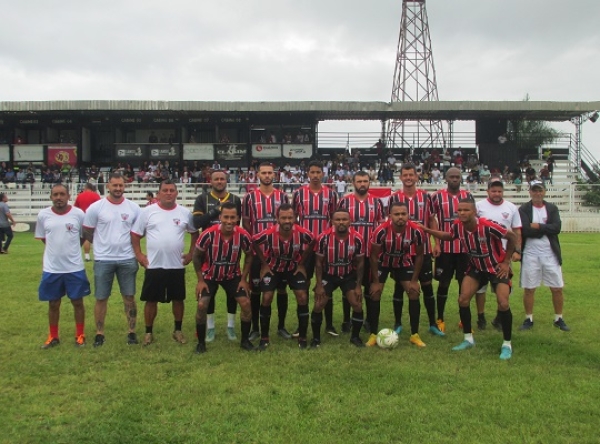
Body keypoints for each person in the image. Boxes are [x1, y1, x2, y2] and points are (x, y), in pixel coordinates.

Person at [422, 198, 518, 360]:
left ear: (474, 212)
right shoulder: (458, 226)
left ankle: (507, 344)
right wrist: (427, 230)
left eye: (466, 210)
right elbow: (448, 236)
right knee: (463, 299)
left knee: (503, 303)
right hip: (476, 268)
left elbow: (512, 237)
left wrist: (506, 261)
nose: (462, 213)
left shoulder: (487, 225)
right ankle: (468, 339)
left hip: (495, 267)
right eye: (460, 210)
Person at [131, 180, 199, 346]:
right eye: (165, 190)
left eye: (172, 190)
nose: (168, 193)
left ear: (176, 193)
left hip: (176, 265)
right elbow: (135, 234)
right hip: (154, 265)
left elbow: (195, 233)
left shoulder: (184, 213)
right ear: (159, 193)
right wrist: (139, 254)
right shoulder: (147, 212)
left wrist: (191, 253)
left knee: (178, 299)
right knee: (151, 300)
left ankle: (178, 330)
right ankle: (148, 332)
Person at [83, 173, 141, 347]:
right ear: (108, 186)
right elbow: (87, 231)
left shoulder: (133, 208)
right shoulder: (96, 207)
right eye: (114, 185)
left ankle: (131, 332)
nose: (118, 189)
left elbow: (138, 232)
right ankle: (99, 333)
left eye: (121, 185)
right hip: (103, 259)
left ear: (125, 186)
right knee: (101, 297)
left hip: (127, 258)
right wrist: (101, 245)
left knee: (129, 297)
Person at [193, 202, 256, 353]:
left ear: (237, 218)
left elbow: (249, 256)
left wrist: (243, 279)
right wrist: (200, 281)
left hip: (232, 276)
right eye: (225, 217)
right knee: (202, 305)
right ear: (220, 217)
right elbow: (196, 257)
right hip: (210, 275)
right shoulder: (208, 234)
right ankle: (201, 344)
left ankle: (245, 341)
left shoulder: (243, 235)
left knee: (246, 304)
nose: (229, 220)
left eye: (232, 217)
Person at [389, 163, 444, 337]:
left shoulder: (427, 197)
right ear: (400, 178)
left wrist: (437, 243)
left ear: (417, 177)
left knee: (427, 286)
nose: (408, 178)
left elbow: (432, 220)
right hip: (401, 251)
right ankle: (398, 323)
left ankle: (432, 324)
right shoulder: (394, 198)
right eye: (405, 175)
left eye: (411, 175)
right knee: (399, 287)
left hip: (423, 249)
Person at [36, 184, 91, 348]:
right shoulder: (43, 215)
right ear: (51, 197)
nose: (58, 197)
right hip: (52, 268)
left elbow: (83, 237)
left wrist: (72, 250)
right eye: (55, 195)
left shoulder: (78, 214)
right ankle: (53, 336)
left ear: (68, 196)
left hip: (74, 267)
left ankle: (80, 335)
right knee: (53, 303)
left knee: (77, 302)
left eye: (62, 194)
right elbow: (44, 238)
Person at [253, 204, 315, 350]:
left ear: (295, 218)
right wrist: (264, 264)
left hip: (293, 268)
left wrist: (301, 264)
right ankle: (264, 338)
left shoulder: (302, 233)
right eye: (284, 217)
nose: (287, 220)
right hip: (273, 268)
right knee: (267, 297)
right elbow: (254, 241)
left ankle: (303, 337)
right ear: (277, 219)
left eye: (290, 217)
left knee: (302, 296)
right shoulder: (269, 233)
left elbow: (313, 241)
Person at [192, 170, 243, 343]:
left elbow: (237, 222)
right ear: (211, 181)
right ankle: (211, 327)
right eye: (216, 179)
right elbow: (197, 223)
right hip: (208, 253)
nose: (220, 181)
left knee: (232, 292)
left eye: (222, 178)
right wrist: (217, 210)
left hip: (230, 252)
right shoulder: (202, 199)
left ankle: (231, 327)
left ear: (226, 180)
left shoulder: (235, 199)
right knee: (209, 293)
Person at [242, 162, 290, 341]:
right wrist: (253, 245)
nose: (267, 175)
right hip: (257, 253)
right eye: (264, 173)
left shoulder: (283, 196)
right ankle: (255, 327)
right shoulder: (249, 197)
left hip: (280, 252)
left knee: (281, 289)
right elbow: (246, 224)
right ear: (258, 175)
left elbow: (288, 222)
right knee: (256, 290)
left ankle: (281, 326)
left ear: (275, 175)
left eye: (270, 172)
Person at [291, 160, 338, 337]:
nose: (316, 175)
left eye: (319, 172)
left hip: (325, 248)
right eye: (313, 172)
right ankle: (300, 324)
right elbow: (293, 218)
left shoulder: (331, 194)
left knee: (327, 285)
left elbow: (335, 218)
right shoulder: (298, 194)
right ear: (307, 174)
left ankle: (329, 324)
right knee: (302, 286)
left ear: (323, 173)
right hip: (304, 248)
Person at [369, 202, 426, 347]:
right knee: (375, 293)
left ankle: (414, 334)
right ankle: (373, 334)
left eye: (403, 214)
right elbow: (374, 257)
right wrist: (376, 282)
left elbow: (419, 256)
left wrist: (414, 280)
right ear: (390, 216)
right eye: (396, 214)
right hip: (383, 261)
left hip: (403, 262)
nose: (400, 217)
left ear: (408, 215)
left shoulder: (416, 231)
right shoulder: (380, 231)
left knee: (413, 292)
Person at [518, 180, 570, 331]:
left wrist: (539, 226)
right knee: (529, 288)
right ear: (530, 192)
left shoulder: (552, 208)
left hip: (550, 253)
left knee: (556, 287)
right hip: (530, 252)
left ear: (544, 191)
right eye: (534, 191)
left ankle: (558, 318)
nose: (537, 193)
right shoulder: (524, 209)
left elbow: (557, 228)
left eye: (540, 190)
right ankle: (529, 318)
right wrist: (546, 228)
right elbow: (526, 230)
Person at [338, 171, 385, 334]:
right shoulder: (345, 201)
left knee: (369, 287)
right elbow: (339, 225)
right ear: (353, 182)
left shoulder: (376, 202)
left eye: (365, 181)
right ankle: (347, 320)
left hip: (370, 253)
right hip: (350, 253)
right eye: (359, 181)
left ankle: (369, 321)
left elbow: (380, 226)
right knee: (348, 287)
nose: (362, 184)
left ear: (369, 182)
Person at [311, 209, 366, 348]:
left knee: (357, 303)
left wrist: (358, 286)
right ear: (332, 221)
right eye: (338, 219)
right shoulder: (323, 238)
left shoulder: (358, 238)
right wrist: (319, 285)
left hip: (347, 275)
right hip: (329, 275)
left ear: (350, 221)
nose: (341, 222)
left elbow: (360, 264)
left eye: (344, 219)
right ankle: (316, 339)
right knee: (318, 304)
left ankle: (355, 337)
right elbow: (318, 263)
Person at [430, 167, 474, 333]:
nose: (455, 179)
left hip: (465, 250)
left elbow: (473, 220)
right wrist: (437, 243)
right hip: (446, 250)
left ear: (461, 179)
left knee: (465, 284)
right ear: (446, 178)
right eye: (452, 177)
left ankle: (464, 319)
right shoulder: (437, 196)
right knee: (444, 283)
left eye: (457, 177)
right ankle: (440, 318)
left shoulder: (468, 197)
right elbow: (431, 218)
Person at [475, 177, 522, 330]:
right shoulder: (478, 206)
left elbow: (516, 231)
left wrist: (517, 251)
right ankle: (481, 317)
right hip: (482, 254)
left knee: (503, 289)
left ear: (503, 192)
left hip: (503, 255)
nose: (496, 193)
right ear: (488, 191)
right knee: (480, 288)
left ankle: (499, 317)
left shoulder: (511, 208)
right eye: (493, 191)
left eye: (499, 191)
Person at [74, 183, 101, 261]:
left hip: (82, 218)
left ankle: (86, 255)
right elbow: (100, 207)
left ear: (86, 188)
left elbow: (75, 208)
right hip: (93, 219)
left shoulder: (80, 195)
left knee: (83, 237)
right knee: (93, 237)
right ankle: (96, 255)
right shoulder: (96, 196)